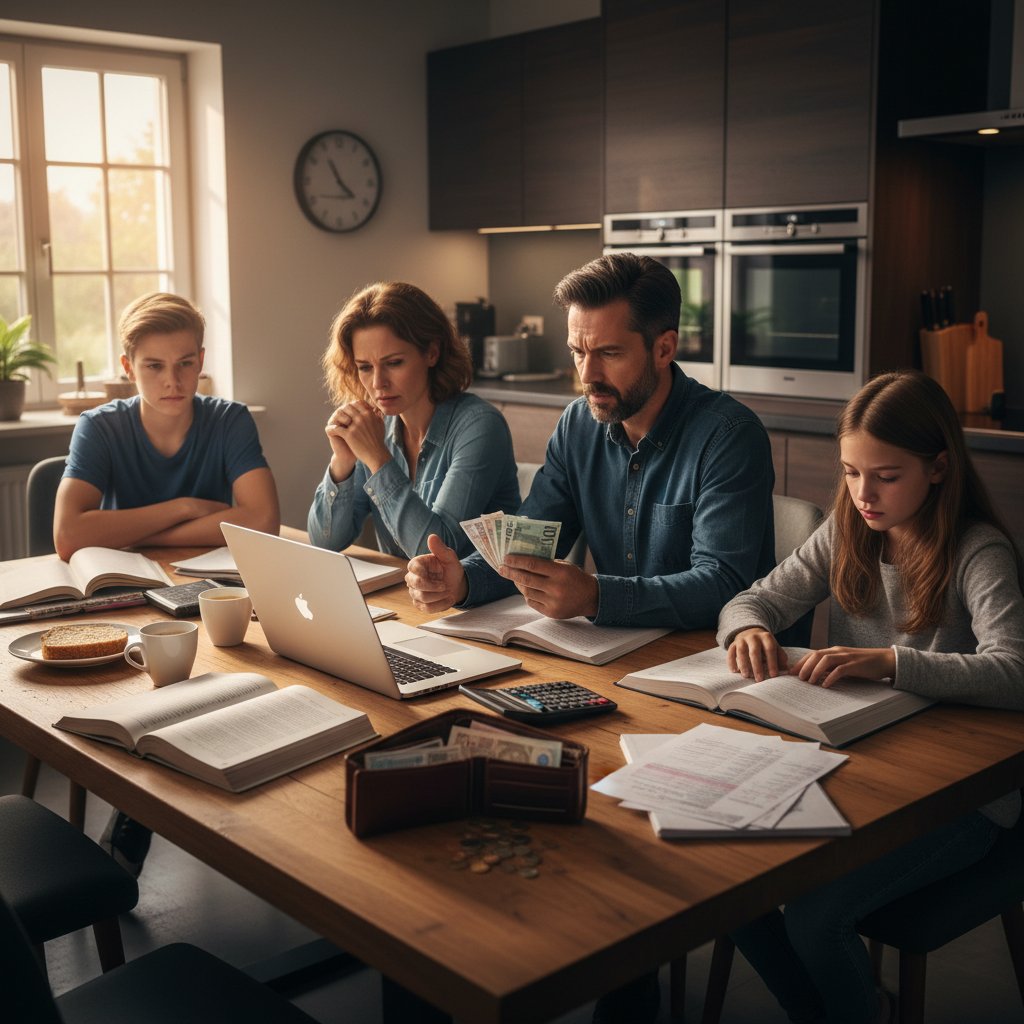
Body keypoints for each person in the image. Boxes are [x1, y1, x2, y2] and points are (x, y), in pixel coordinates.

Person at [718, 369, 1024, 1024]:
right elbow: (755, 598)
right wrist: (745, 626)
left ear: (938, 468)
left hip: (963, 800)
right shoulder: (848, 530)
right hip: (864, 766)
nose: (863, 493)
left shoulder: (979, 550)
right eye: (852, 472)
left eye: (885, 475)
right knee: (723, 885)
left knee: (814, 918)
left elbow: (1015, 671)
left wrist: (892, 663)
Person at [406, 252, 777, 633]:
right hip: (616, 651)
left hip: (711, 659)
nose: (588, 374)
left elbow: (722, 585)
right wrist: (462, 582)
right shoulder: (578, 424)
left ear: (664, 348)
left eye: (609, 353)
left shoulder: (729, 436)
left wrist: (596, 597)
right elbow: (530, 543)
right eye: (578, 352)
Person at [54, 291, 281, 876]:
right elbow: (70, 534)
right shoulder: (99, 428)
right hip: (129, 596)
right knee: (166, 677)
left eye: (185, 363)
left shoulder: (228, 419)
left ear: (201, 359)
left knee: (252, 666)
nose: (172, 380)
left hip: (209, 590)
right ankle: (143, 814)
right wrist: (182, 505)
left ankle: (247, 822)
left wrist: (132, 524)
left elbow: (260, 519)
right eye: (154, 365)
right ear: (128, 366)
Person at [307, 281, 520, 558]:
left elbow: (436, 553)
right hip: (405, 597)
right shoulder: (378, 427)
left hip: (476, 600)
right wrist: (342, 463)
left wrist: (378, 459)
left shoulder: (480, 426)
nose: (378, 383)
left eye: (394, 363)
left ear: (432, 352)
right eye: (365, 368)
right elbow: (325, 542)